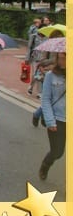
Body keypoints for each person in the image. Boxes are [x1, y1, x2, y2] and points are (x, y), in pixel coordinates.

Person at [38, 52, 65, 180]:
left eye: (65, 58)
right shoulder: (51, 76)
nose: (62, 61)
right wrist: (50, 121)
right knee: (57, 152)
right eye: (60, 58)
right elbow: (46, 99)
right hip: (57, 119)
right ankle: (46, 164)